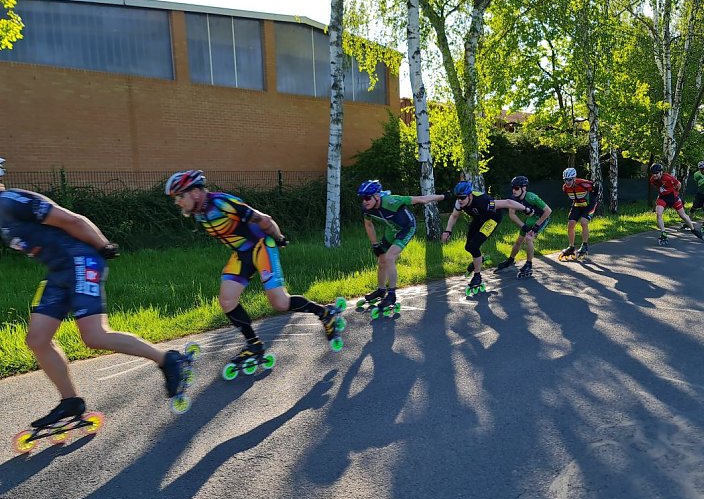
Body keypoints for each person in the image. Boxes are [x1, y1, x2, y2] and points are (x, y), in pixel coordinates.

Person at [0, 158, 190, 429]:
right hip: (58, 272)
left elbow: (70, 219)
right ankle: (70, 401)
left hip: (80, 261)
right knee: (37, 339)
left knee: (94, 335)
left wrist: (102, 246)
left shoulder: (10, 201)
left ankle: (169, 360)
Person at [165, 170, 345, 362]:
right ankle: (254, 345)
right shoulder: (199, 212)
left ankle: (326, 313)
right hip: (242, 254)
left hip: (261, 247)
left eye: (180, 196)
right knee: (227, 301)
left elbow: (264, 219)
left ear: (194, 192)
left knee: (280, 303)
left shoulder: (221, 203)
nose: (178, 202)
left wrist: (278, 238)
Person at [358, 179, 446, 310]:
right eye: (362, 198)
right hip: (392, 229)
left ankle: (392, 294)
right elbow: (368, 225)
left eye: (367, 198)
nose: (364, 201)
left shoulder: (393, 201)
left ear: (377, 196)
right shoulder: (366, 208)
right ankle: (381, 290)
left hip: (407, 227)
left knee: (389, 258)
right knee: (381, 260)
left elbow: (421, 199)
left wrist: (444, 196)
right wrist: (375, 244)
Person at [441, 180, 532, 292]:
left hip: (492, 219)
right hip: (479, 218)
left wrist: (526, 209)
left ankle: (477, 276)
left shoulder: (484, 201)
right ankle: (480, 259)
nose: (460, 200)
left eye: (463, 197)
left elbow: (507, 202)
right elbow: (454, 216)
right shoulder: (459, 202)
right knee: (468, 247)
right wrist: (448, 231)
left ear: (470, 195)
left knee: (474, 246)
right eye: (458, 197)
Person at [494, 176, 552, 278]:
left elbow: (548, 211)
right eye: (513, 188)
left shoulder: (531, 197)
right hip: (530, 219)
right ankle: (510, 260)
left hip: (541, 218)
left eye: (516, 188)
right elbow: (512, 214)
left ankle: (529, 264)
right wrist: (523, 226)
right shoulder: (513, 198)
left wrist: (536, 226)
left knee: (528, 239)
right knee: (518, 241)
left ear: (524, 188)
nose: (514, 190)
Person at [648, 163, 704, 245]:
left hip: (673, 197)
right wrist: (663, 191)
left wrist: (676, 192)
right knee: (658, 214)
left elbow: (679, 184)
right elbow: (657, 187)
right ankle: (663, 232)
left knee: (683, 215)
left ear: (661, 172)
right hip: (663, 198)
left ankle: (693, 229)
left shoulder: (667, 178)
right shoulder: (652, 180)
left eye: (656, 173)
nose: (654, 175)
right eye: (653, 173)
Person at [558, 167, 599, 260]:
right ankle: (571, 246)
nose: (567, 182)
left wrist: (593, 198)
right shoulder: (565, 188)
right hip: (577, 205)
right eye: (565, 180)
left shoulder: (584, 184)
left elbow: (596, 187)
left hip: (589, 205)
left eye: (569, 180)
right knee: (571, 224)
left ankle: (584, 245)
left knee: (584, 222)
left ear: (574, 178)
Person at [684, 160, 704, 232]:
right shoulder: (696, 174)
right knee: (693, 208)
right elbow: (697, 182)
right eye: (702, 169)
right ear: (699, 169)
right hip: (700, 192)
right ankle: (688, 223)